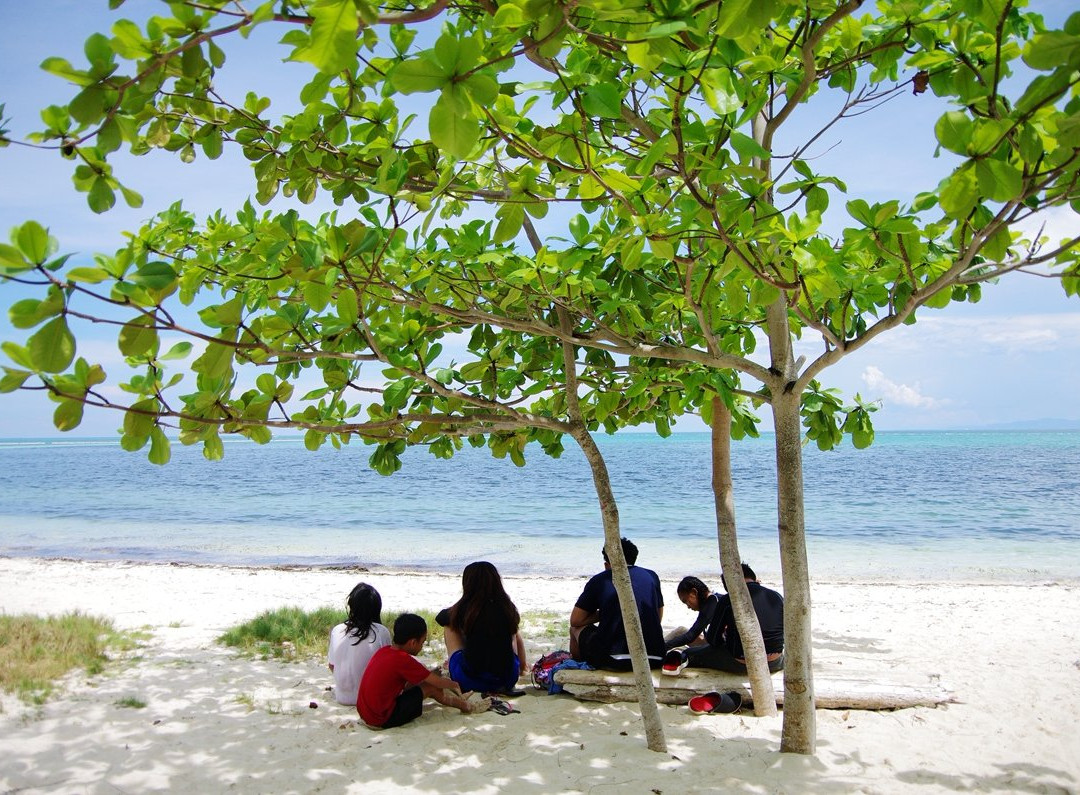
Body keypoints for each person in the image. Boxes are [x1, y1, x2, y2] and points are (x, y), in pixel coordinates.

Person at [356, 613, 491, 729]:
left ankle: (460, 701)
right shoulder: (403, 659)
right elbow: (436, 683)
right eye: (422, 642)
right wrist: (455, 685)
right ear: (413, 643)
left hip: (366, 714)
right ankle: (466, 706)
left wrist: (431, 675)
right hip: (382, 719)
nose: (422, 646)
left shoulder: (384, 651)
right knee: (431, 687)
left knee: (427, 684)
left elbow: (410, 683)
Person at [665, 563, 785, 674]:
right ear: (753, 577)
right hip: (775, 662)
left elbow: (713, 640)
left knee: (687, 654)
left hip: (743, 663)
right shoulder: (777, 596)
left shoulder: (728, 600)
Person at [569, 537, 665, 670]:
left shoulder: (600, 580)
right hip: (655, 657)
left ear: (607, 563)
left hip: (614, 659)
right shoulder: (651, 576)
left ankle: (578, 667)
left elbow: (575, 620)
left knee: (575, 630)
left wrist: (605, 612)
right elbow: (658, 616)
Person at [435, 561, 527, 696]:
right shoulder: (507, 608)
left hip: (470, 681)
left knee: (450, 624)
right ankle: (523, 667)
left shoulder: (462, 609)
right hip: (507, 679)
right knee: (513, 630)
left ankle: (453, 663)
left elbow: (441, 617)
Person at [327, 582, 391, 706]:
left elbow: (332, 666)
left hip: (342, 698)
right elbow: (388, 667)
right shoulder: (381, 631)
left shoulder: (337, 630)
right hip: (369, 698)